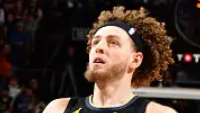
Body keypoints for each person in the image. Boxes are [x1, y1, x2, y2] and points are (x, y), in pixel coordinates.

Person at [42, 7, 176, 113]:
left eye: (113, 42)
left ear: (135, 60)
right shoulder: (58, 109)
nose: (99, 48)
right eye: (96, 42)